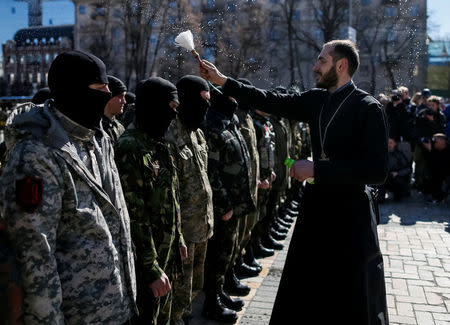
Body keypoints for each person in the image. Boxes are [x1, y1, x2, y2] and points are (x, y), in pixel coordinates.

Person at [199, 39, 389, 324]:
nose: (315, 67)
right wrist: (223, 81)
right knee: (307, 291)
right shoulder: (317, 100)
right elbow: (269, 100)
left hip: (351, 216)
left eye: (322, 61)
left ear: (342, 65)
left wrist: (318, 169)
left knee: (349, 294)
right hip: (318, 208)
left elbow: (376, 170)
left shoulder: (368, 107)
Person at [0, 50, 137, 323]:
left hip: (115, 305)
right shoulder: (36, 154)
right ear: (74, 91)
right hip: (77, 315)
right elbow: (34, 253)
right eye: (101, 88)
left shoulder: (99, 139)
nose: (108, 94)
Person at [114, 77, 187, 325]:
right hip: (146, 263)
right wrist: (151, 267)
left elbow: (171, 196)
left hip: (166, 251)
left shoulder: (159, 143)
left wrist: (179, 237)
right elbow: (135, 216)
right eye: (171, 108)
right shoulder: (129, 147)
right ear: (155, 106)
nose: (173, 116)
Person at [201, 85, 255, 323]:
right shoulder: (212, 124)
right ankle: (211, 303)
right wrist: (223, 204)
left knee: (227, 252)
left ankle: (220, 290)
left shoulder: (229, 120)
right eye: (231, 96)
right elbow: (211, 171)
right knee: (217, 255)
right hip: (224, 207)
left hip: (235, 203)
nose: (236, 101)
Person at [164, 75, 214, 325]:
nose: (206, 107)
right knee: (177, 295)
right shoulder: (169, 135)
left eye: (209, 100)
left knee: (195, 287)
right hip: (182, 234)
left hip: (202, 226)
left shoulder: (197, 133)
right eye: (202, 101)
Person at [378, 137, 412, 202]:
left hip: (396, 178)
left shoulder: (399, 155)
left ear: (395, 144)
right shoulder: (382, 154)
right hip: (384, 178)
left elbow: (408, 169)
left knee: (399, 182)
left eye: (391, 143)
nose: (389, 145)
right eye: (387, 143)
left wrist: (398, 173)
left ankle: (399, 195)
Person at [422, 133, 450, 202]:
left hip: (446, 175)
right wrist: (430, 150)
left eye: (435, 141)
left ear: (442, 142)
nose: (433, 143)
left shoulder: (448, 150)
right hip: (441, 174)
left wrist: (431, 152)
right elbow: (430, 166)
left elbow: (440, 166)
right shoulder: (435, 150)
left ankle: (440, 196)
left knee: (437, 175)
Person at [102, 75, 126, 143]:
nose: (124, 101)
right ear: (109, 98)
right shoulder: (98, 127)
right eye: (120, 97)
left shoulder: (119, 127)